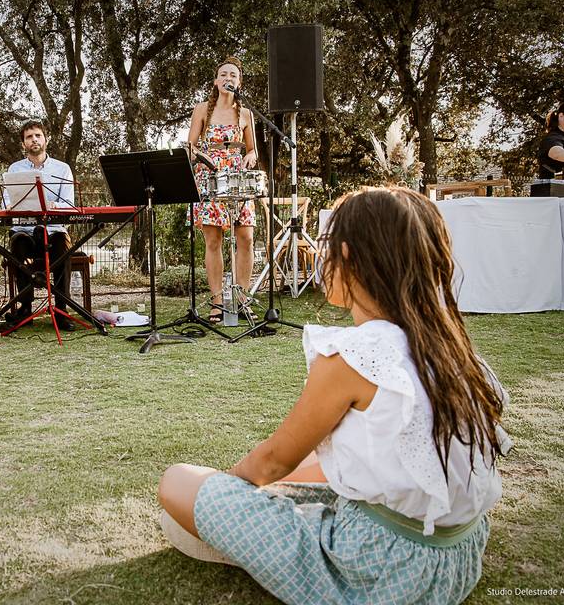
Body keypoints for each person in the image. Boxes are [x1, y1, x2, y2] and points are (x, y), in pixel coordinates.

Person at [158, 186, 511, 604]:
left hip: (380, 565)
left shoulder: (354, 356)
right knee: (316, 465)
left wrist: (223, 492)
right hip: (456, 555)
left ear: (346, 256)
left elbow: (272, 461)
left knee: (177, 484)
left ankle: (262, 542)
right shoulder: (453, 347)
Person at [187, 56, 259, 323]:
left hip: (238, 178)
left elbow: (252, 149)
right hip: (210, 177)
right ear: (216, 81)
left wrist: (250, 158)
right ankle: (217, 300)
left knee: (246, 238)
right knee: (213, 240)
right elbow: (191, 145)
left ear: (239, 82)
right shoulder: (202, 109)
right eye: (224, 74)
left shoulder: (246, 113)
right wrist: (205, 160)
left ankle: (242, 297)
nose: (229, 78)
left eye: (234, 75)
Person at [2, 120, 75, 331]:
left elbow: (69, 204)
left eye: (37, 135)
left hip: (53, 231)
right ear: (23, 143)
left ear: (46, 139)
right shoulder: (15, 169)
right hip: (25, 228)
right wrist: (13, 204)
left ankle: (62, 309)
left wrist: (53, 206)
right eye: (28, 137)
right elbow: (6, 201)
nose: (34, 140)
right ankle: (25, 307)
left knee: (62, 245)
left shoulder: (62, 169)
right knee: (17, 244)